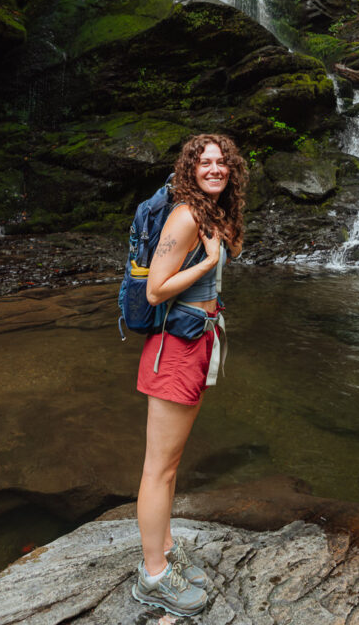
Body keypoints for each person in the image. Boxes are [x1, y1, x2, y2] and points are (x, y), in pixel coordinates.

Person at [132, 133, 247, 617]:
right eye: (206, 163)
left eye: (222, 162)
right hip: (174, 349)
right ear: (190, 168)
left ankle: (168, 547)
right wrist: (208, 258)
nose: (215, 168)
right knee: (159, 467)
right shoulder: (184, 216)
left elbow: (233, 250)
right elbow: (156, 291)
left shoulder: (211, 212)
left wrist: (220, 243)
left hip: (197, 339)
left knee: (172, 463)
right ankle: (153, 575)